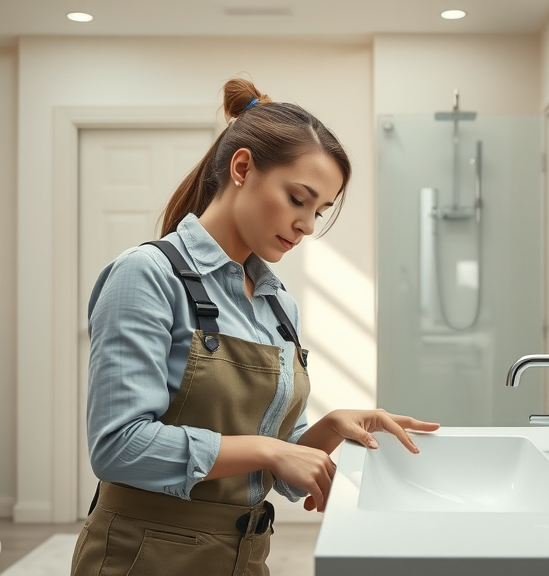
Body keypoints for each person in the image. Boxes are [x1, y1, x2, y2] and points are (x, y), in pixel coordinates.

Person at [70, 78, 439, 576]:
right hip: (144, 557)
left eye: (319, 210)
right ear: (242, 168)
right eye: (297, 199)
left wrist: (326, 430)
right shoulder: (147, 275)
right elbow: (119, 447)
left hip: (243, 559)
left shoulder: (277, 304)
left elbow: (278, 473)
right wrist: (269, 448)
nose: (308, 225)